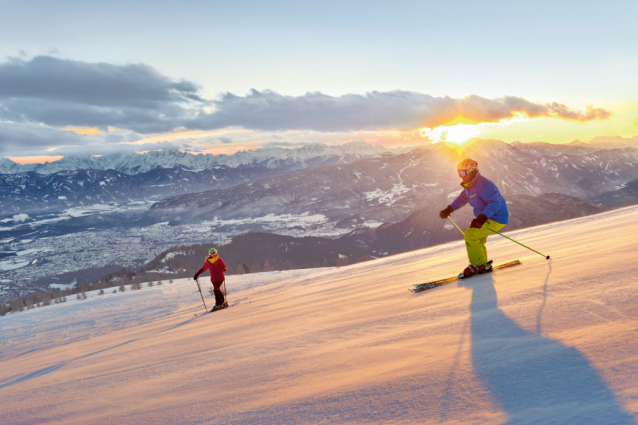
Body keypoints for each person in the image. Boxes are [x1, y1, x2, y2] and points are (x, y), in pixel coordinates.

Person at [439, 158, 509, 277]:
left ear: (471, 172)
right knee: (478, 239)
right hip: (486, 218)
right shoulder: (469, 186)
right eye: (458, 173)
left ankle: (477, 265)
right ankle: (483, 264)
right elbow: (461, 199)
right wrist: (449, 209)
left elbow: (495, 203)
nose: (460, 177)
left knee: (470, 235)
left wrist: (481, 218)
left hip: (496, 218)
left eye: (462, 173)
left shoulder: (485, 185)